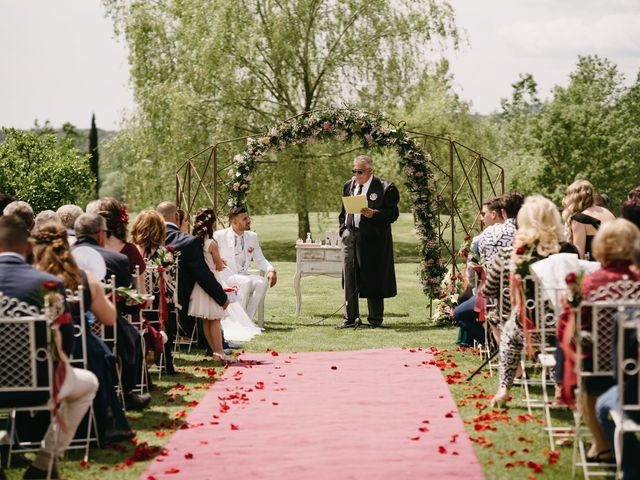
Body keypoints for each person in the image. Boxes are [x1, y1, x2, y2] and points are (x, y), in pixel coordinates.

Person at [0, 214, 98, 480]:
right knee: (88, 383)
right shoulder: (47, 284)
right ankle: (43, 463)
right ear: (29, 247)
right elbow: (67, 340)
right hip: (39, 385)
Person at [31, 221, 134, 445]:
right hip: (80, 355)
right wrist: (103, 297)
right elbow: (109, 318)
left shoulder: (29, 281)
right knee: (100, 354)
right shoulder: (84, 279)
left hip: (31, 362)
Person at [558, 219, 640, 463]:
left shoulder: (589, 284)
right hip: (636, 368)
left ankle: (601, 446)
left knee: (587, 373)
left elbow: (567, 328)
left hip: (599, 368)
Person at [491, 195, 567, 407]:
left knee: (508, 333)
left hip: (528, 325)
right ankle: (561, 386)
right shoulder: (567, 251)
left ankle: (504, 388)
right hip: (564, 327)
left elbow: (490, 290)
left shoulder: (510, 254)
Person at [73, 213, 150, 410]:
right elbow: (126, 300)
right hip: (107, 326)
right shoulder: (117, 259)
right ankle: (127, 392)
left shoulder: (61, 257)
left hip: (69, 327)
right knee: (133, 337)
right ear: (100, 235)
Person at [156, 202, 229, 368]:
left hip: (149, 300)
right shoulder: (188, 241)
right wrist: (221, 297)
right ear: (177, 217)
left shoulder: (146, 238)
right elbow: (202, 273)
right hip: (179, 303)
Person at [595, 234, 640, 479]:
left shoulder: (627, 317)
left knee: (604, 404)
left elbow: (619, 373)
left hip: (636, 401)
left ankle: (632, 469)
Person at [338, 155, 399, 328]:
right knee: (350, 277)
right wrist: (343, 230)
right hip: (350, 236)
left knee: (373, 276)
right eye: (354, 171)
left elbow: (393, 214)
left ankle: (375, 319)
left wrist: (374, 214)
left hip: (373, 239)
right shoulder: (349, 186)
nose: (356, 175)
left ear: (370, 171)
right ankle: (350, 318)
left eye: (360, 171)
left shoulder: (386, 187)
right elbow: (343, 212)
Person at [189, 208, 257, 362]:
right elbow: (218, 266)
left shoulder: (198, 242)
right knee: (216, 318)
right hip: (212, 281)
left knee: (207, 319)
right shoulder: (212, 243)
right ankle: (219, 352)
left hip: (201, 286)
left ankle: (214, 351)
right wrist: (221, 262)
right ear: (213, 224)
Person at [214, 206, 277, 323]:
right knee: (246, 282)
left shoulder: (252, 236)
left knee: (261, 282)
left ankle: (246, 320)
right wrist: (218, 260)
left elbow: (260, 259)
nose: (248, 221)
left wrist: (271, 270)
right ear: (234, 222)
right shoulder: (219, 235)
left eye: (248, 217)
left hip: (243, 274)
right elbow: (209, 255)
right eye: (244, 219)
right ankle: (239, 322)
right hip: (225, 275)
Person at [561, 180, 615, 260]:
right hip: (614, 264)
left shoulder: (579, 219)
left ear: (574, 197)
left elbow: (579, 255)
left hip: (595, 268)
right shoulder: (608, 213)